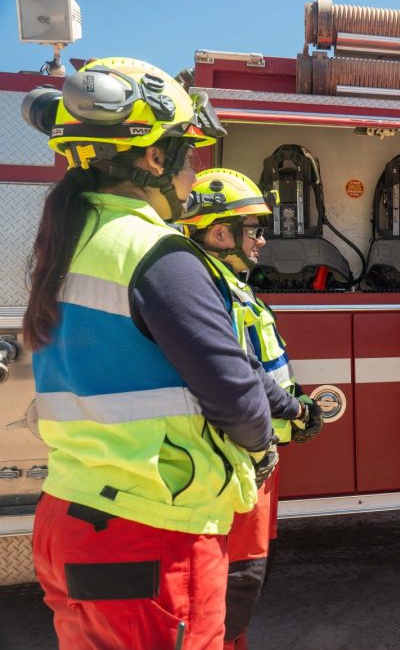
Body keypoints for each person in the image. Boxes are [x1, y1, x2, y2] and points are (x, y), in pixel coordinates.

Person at [21, 58, 277, 648]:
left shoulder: (68, 239)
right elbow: (237, 396)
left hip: (69, 515)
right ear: (154, 158)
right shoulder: (157, 253)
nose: (194, 174)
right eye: (189, 156)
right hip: (151, 531)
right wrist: (261, 447)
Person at [178, 168, 324, 649]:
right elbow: (239, 371)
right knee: (236, 579)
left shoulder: (227, 281)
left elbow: (264, 363)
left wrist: (292, 404)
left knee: (241, 578)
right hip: (238, 457)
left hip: (255, 450)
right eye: (254, 229)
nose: (262, 240)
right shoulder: (210, 286)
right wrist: (297, 410)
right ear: (220, 233)